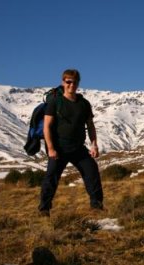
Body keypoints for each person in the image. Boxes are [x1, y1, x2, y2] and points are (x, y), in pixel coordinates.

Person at [38, 69, 103, 217]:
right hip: (59, 148)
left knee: (92, 172)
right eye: (68, 82)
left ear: (78, 83)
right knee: (51, 178)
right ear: (63, 82)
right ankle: (44, 209)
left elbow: (90, 125)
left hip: (78, 148)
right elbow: (47, 126)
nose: (71, 85)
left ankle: (97, 206)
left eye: (74, 82)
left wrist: (94, 144)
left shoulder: (84, 104)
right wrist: (51, 148)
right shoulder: (55, 101)